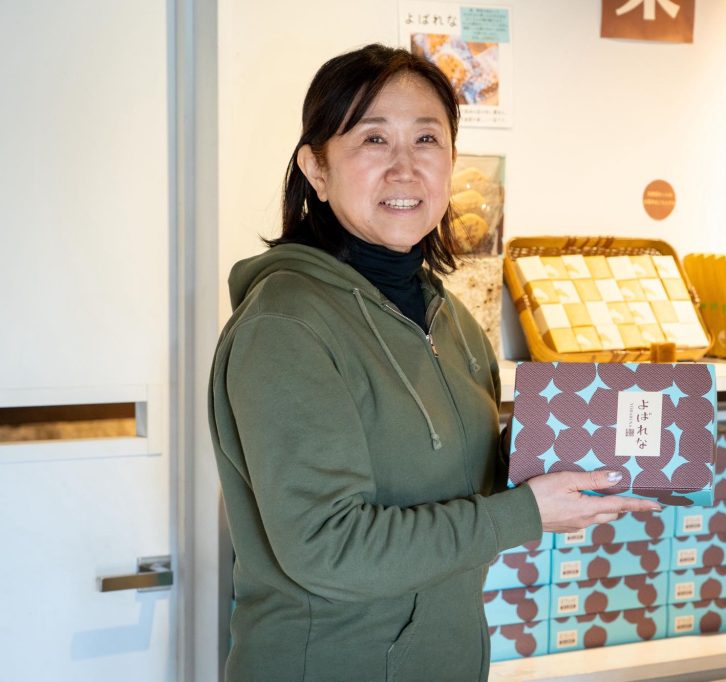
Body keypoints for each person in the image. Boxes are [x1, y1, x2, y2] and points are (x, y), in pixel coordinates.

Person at [208, 43, 660, 682]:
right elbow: (328, 549)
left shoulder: (451, 319)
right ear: (316, 169)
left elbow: (456, 477)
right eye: (373, 139)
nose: (404, 168)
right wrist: (527, 513)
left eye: (426, 139)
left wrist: (574, 446)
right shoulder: (286, 327)